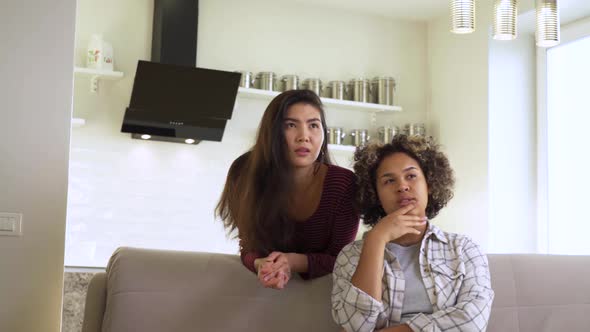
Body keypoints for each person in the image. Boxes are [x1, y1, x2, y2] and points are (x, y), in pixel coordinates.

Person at [331, 135, 494, 332]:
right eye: (389, 180)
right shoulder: (351, 256)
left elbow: (472, 321)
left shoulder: (465, 249)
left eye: (411, 176)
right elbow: (354, 326)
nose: (402, 186)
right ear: (375, 194)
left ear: (430, 184)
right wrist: (376, 239)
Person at [216, 89, 359, 290]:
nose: (304, 137)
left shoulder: (343, 184)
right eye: (291, 125)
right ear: (272, 132)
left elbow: (343, 259)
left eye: (313, 125)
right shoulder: (244, 173)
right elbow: (248, 248)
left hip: (323, 298)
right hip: (262, 297)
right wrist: (261, 264)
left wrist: (291, 262)